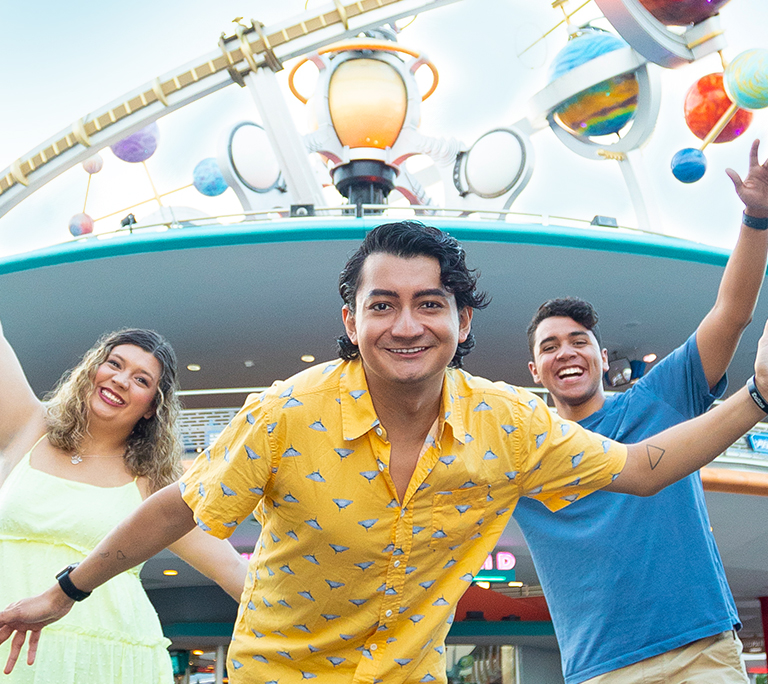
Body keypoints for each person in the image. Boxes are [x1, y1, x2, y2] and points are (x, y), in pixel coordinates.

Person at [2, 221, 768, 684]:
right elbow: (177, 507)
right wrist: (66, 590)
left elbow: (642, 469)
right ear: (353, 318)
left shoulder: (509, 424)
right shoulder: (287, 413)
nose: (407, 324)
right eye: (384, 305)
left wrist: (757, 398)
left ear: (463, 322)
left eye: (429, 303)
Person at [517, 140, 768, 684]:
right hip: (602, 670)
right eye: (550, 346)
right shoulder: (521, 452)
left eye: (578, 340)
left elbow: (732, 313)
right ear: (535, 372)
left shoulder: (659, 397)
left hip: (700, 650)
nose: (566, 352)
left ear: (602, 357)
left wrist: (755, 220)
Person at [0, 326, 248, 683]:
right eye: (114, 364)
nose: (120, 380)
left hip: (107, 661)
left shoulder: (154, 484)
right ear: (91, 369)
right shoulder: (30, 425)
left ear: (152, 407)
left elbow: (232, 571)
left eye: (141, 380)